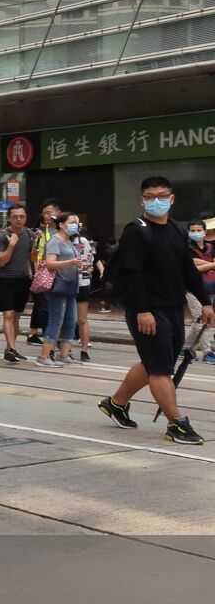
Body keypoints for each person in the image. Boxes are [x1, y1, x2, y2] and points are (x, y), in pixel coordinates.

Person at [98, 177, 214, 445]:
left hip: (173, 307)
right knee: (161, 368)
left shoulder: (175, 229)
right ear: (142, 200)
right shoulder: (136, 231)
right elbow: (133, 274)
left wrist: (204, 302)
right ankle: (177, 424)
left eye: (161, 195)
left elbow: (188, 270)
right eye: (149, 196)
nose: (156, 201)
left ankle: (116, 403)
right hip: (147, 310)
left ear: (172, 199)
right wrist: (142, 311)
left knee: (154, 362)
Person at [35, 212, 83, 368]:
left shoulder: (69, 241)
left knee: (71, 320)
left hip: (70, 285)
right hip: (58, 285)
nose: (75, 225)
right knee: (57, 320)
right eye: (72, 222)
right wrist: (71, 262)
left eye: (76, 222)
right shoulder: (55, 241)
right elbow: (50, 263)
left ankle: (64, 355)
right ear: (62, 224)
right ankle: (44, 356)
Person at [0, 204, 34, 363]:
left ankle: (10, 348)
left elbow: (30, 256)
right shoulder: (2, 236)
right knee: (8, 314)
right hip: (5, 279)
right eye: (15, 216)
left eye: (22, 216)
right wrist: (11, 245)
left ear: (26, 217)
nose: (18, 219)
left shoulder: (29, 234)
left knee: (16, 315)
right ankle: (11, 349)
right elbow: (1, 261)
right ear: (9, 218)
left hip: (23, 279)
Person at [27, 198, 63, 344]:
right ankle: (50, 339)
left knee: (59, 307)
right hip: (45, 274)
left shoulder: (65, 230)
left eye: (49, 213)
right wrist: (36, 271)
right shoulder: (41, 232)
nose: (46, 216)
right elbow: (34, 254)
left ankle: (57, 337)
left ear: (58, 212)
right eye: (44, 214)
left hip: (61, 274)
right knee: (45, 307)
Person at [184, 217, 215, 365]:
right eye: (192, 231)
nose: (196, 233)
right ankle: (208, 352)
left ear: (204, 232)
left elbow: (199, 265)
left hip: (210, 287)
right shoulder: (186, 248)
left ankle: (184, 348)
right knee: (201, 319)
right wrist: (211, 265)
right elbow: (192, 267)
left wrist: (205, 265)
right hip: (192, 289)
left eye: (199, 230)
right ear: (188, 232)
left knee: (201, 320)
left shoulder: (211, 247)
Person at [74, 223, 99, 363]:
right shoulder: (59, 240)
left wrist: (86, 274)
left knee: (82, 319)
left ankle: (84, 350)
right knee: (64, 318)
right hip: (65, 284)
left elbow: (90, 261)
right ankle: (63, 347)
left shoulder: (82, 242)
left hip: (82, 283)